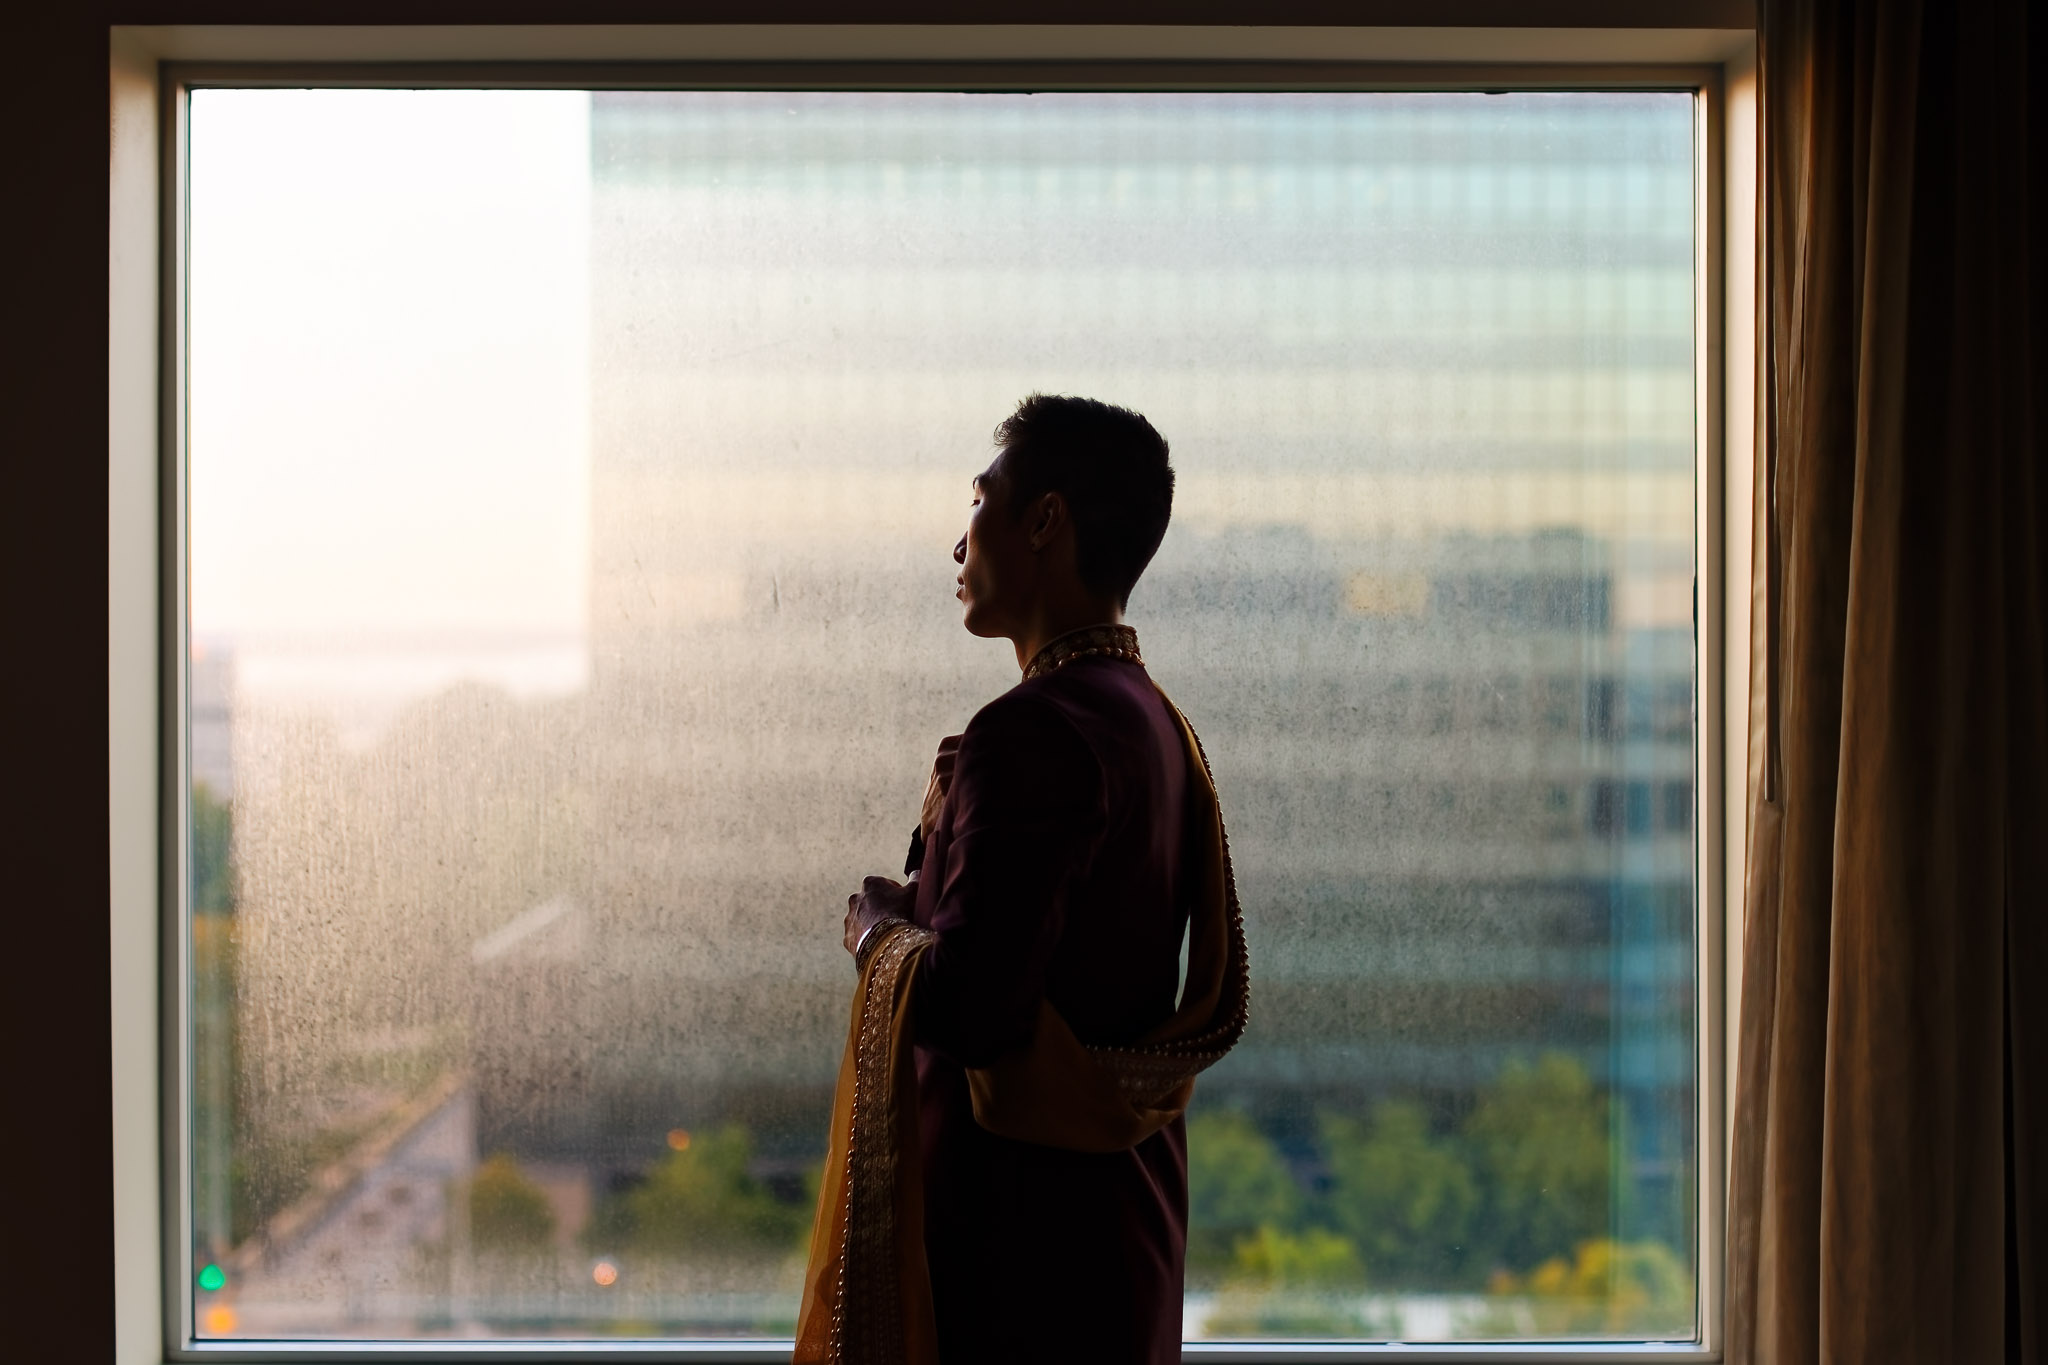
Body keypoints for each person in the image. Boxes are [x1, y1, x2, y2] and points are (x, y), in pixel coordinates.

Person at [793, 395, 1249, 1365]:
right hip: (1114, 1217)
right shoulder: (1155, 726)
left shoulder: (1032, 729)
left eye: (977, 501)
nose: (957, 547)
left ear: (1043, 521)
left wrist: (877, 930)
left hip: (1017, 1244)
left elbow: (974, 1011)